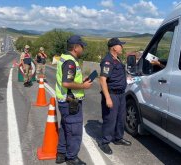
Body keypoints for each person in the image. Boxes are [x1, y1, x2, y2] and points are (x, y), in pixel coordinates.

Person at [55, 35, 93, 165]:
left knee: (65, 127)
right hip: (71, 102)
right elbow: (66, 83)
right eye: (82, 46)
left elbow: (68, 81)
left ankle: (61, 154)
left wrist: (80, 81)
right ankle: (71, 158)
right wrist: (84, 86)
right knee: (74, 131)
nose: (83, 49)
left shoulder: (65, 58)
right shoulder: (70, 62)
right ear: (76, 47)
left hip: (65, 100)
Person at [98, 38, 132, 155]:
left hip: (121, 94)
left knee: (120, 118)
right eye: (120, 45)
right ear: (114, 48)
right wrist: (107, 98)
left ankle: (118, 138)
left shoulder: (117, 59)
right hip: (112, 94)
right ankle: (104, 142)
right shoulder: (107, 61)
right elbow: (102, 80)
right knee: (110, 119)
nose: (122, 47)